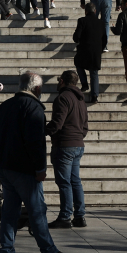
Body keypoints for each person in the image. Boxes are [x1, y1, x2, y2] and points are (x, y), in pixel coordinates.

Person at [0, 71, 74, 253]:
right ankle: (48, 251)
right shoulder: (34, 107)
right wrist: (40, 168)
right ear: (37, 89)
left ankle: (7, 252)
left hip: (5, 166)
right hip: (23, 168)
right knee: (37, 210)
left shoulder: (6, 105)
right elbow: (36, 142)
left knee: (10, 210)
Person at [45, 70, 89, 229]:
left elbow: (57, 123)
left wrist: (43, 131)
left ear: (62, 81)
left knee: (64, 182)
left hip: (65, 145)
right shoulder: (80, 99)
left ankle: (65, 217)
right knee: (75, 181)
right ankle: (80, 216)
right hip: (77, 144)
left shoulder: (63, 98)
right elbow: (85, 126)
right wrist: (78, 136)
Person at [73, 3, 107, 105]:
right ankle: (94, 96)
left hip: (84, 50)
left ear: (86, 11)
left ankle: (84, 83)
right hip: (96, 51)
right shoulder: (101, 23)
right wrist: (100, 49)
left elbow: (76, 37)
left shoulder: (82, 21)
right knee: (94, 73)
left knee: (78, 64)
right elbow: (105, 39)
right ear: (95, 11)